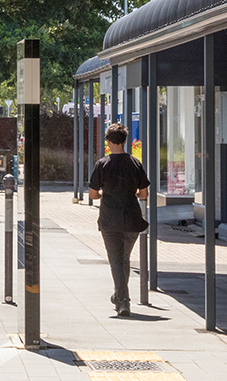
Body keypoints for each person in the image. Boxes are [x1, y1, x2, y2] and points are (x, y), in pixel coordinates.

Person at [87, 123, 150, 317]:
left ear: (108, 142)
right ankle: (119, 295)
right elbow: (144, 194)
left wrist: (103, 193)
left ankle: (123, 300)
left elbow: (93, 194)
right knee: (124, 258)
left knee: (116, 259)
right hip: (131, 218)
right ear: (125, 141)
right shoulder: (135, 163)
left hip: (109, 219)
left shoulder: (102, 164)